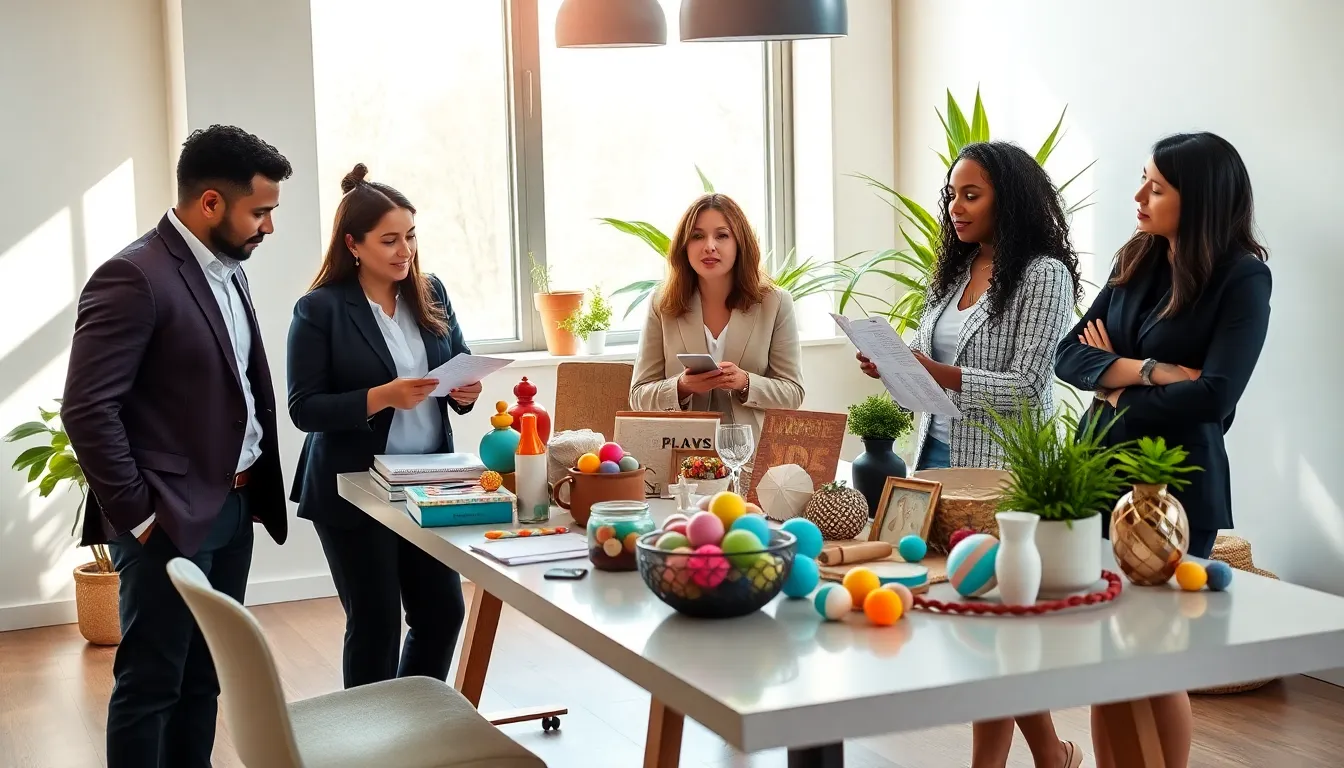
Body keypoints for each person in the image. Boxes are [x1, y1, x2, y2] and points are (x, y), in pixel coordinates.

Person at [61, 125, 292, 768]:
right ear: (211, 203)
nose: (268, 227)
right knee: (151, 682)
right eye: (261, 211)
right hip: (166, 518)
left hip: (235, 506)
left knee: (207, 676)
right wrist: (140, 516)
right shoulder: (134, 276)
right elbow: (87, 407)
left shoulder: (228, 270)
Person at [856, 141, 1084, 768]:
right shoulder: (957, 271)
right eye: (952, 192)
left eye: (971, 194)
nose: (955, 206)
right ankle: (1053, 755)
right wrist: (896, 368)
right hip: (931, 465)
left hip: (998, 477)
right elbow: (935, 376)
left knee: (991, 625)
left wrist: (943, 374)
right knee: (979, 626)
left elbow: (1029, 387)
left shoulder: (1042, 275)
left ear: (1006, 198)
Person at [1056, 131, 1271, 768]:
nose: (1139, 195)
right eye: (1142, 179)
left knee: (1155, 657)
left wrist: (1113, 382)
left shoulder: (1242, 278)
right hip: (1096, 473)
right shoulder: (1138, 260)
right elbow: (1071, 355)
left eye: (1156, 185)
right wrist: (1149, 370)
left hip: (1174, 488)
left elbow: (1215, 396)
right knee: (1105, 654)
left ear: (1198, 198)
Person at [287, 164, 481, 689]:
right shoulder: (319, 310)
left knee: (441, 614)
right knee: (375, 624)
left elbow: (456, 361)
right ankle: (368, 742)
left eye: (411, 236)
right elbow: (304, 409)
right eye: (390, 240)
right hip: (355, 487)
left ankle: (411, 724)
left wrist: (466, 391)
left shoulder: (431, 291)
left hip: (430, 483)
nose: (405, 251)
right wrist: (381, 397)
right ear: (353, 244)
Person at [630, 192, 805, 476]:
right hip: (679, 460)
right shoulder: (661, 303)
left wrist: (745, 382)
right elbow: (638, 395)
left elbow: (793, 393)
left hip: (751, 461)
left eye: (722, 235)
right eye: (698, 236)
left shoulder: (776, 303)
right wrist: (682, 387)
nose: (709, 246)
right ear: (684, 247)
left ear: (740, 244)